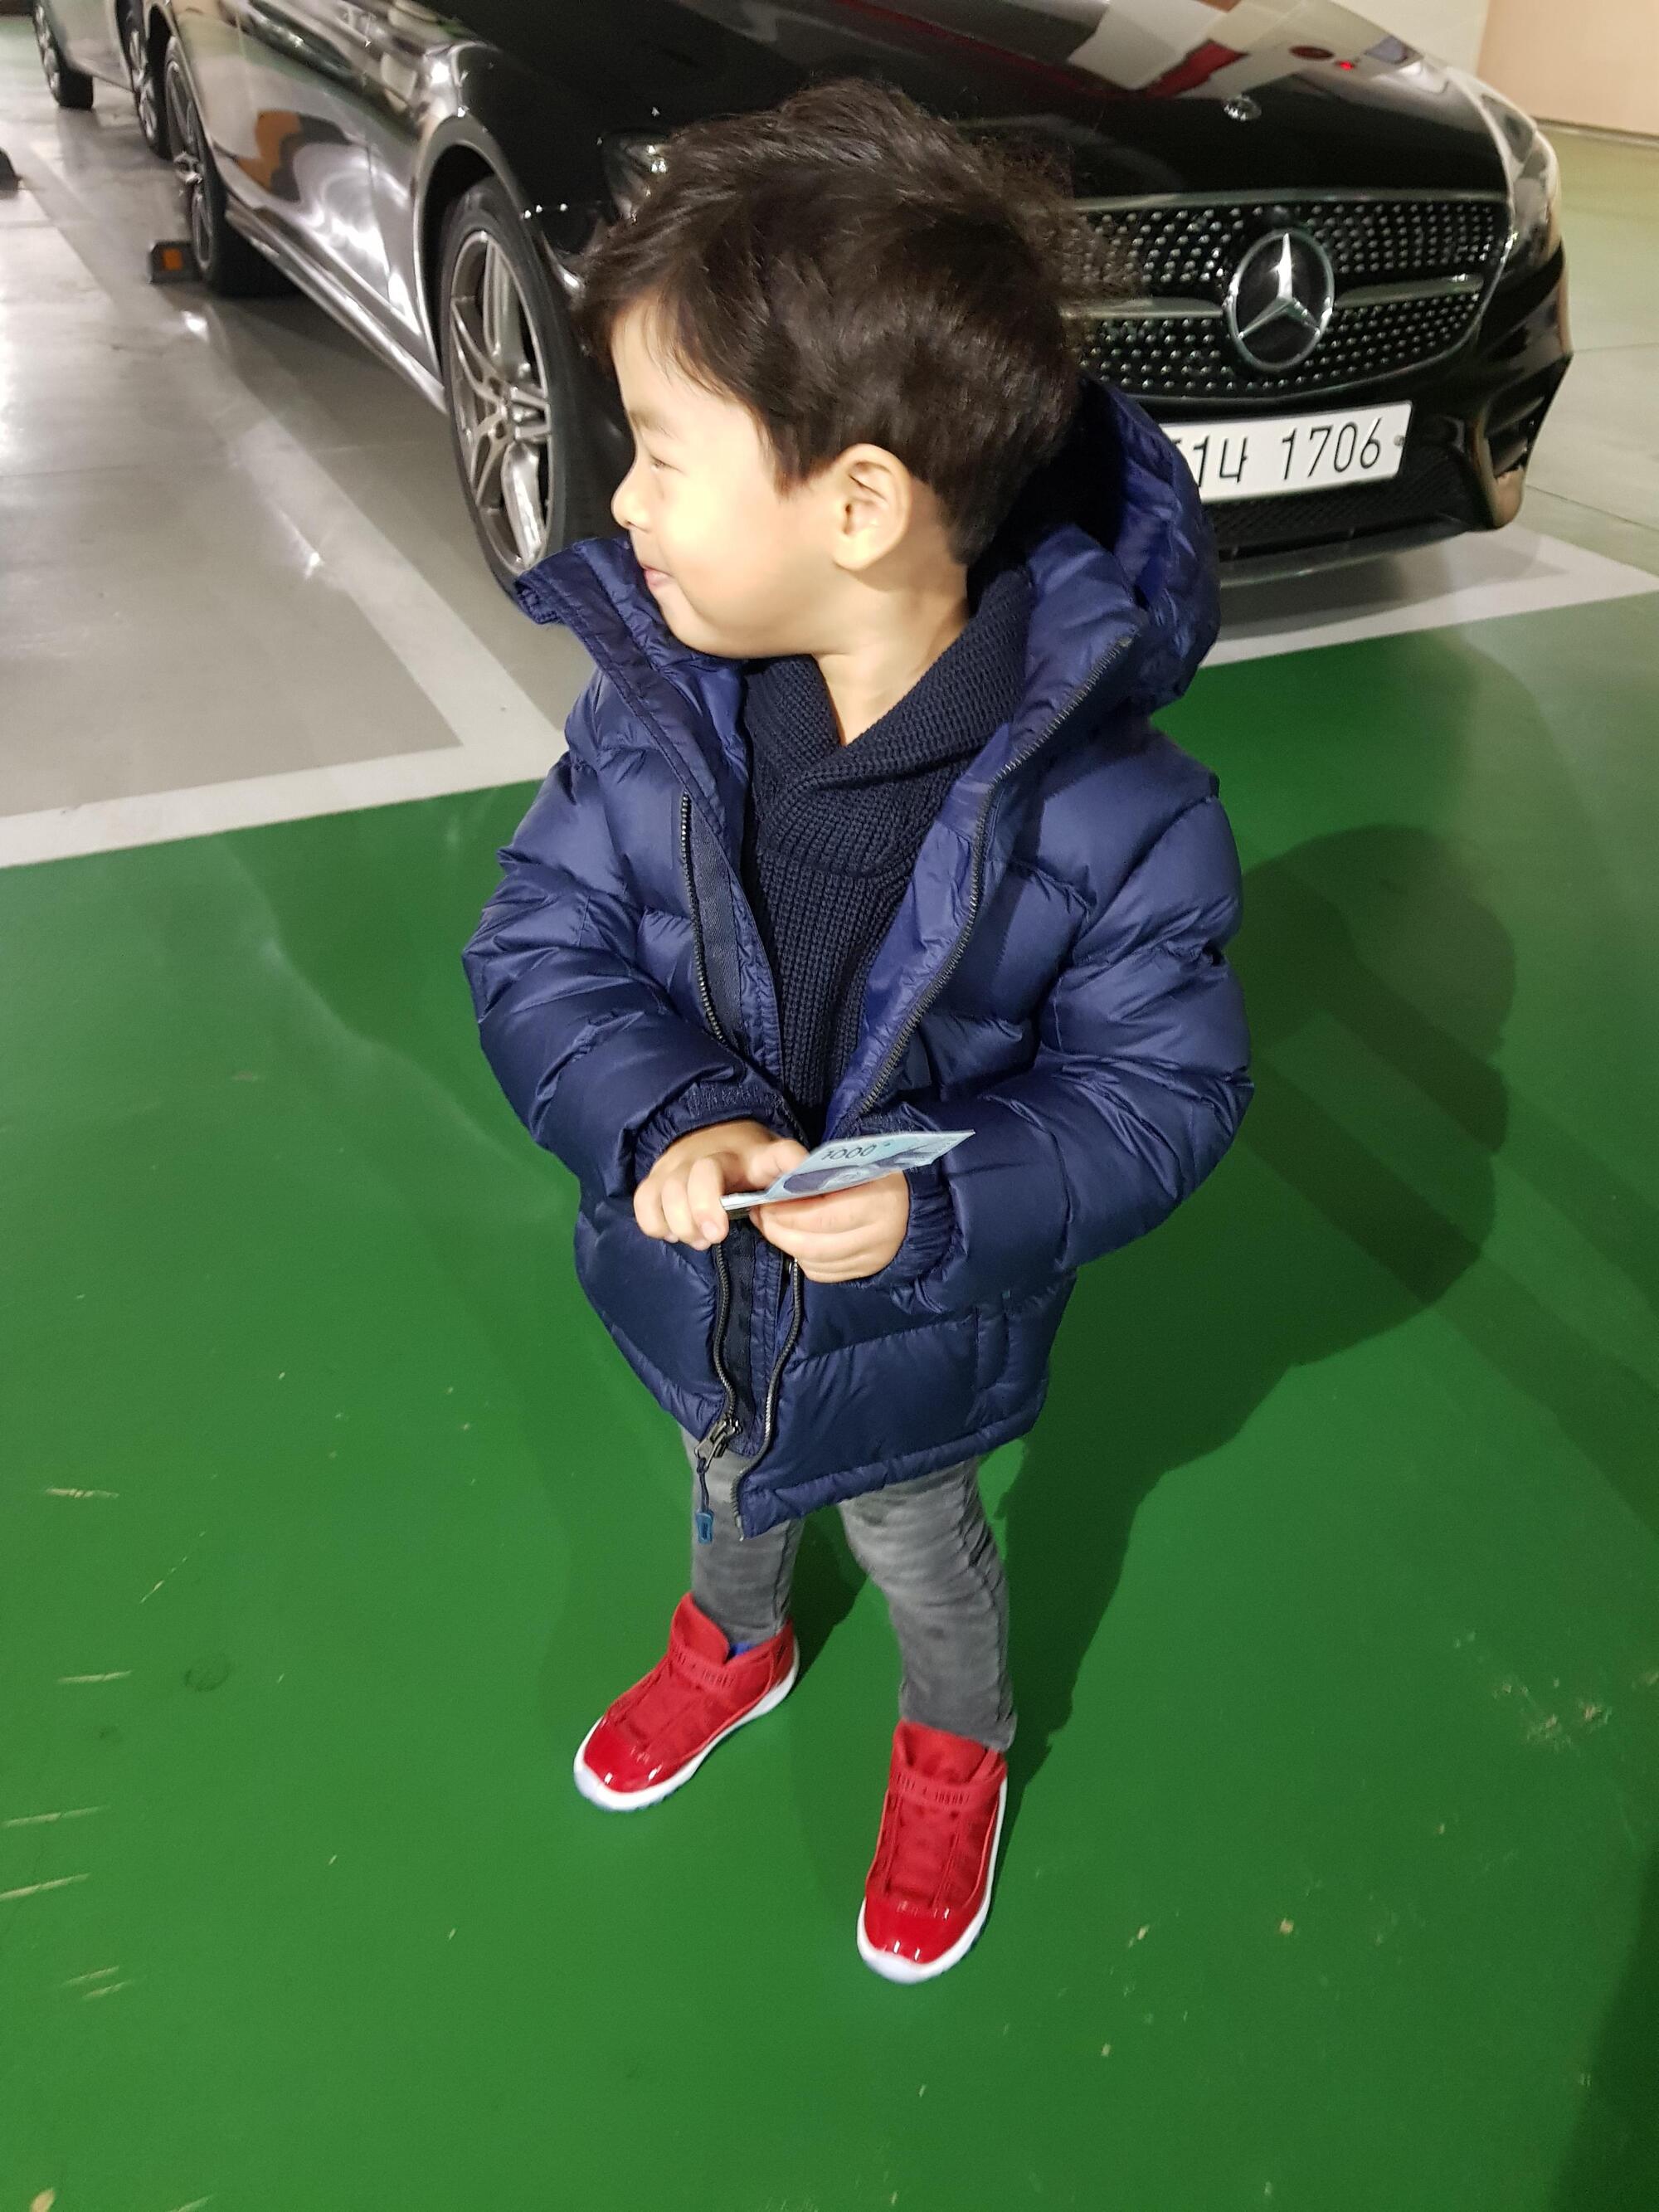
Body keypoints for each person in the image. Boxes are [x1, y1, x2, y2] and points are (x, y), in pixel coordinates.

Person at [462, 74, 1253, 1983]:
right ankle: (730, 1640)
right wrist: (666, 1116)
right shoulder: (655, 711)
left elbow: (1161, 1090)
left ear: (862, 502)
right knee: (722, 1477)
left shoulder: (1117, 813)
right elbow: (538, 942)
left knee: (919, 1547)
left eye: (661, 455)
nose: (619, 503)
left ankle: (954, 1746)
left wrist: (945, 1206)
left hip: (906, 1330)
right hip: (699, 1287)